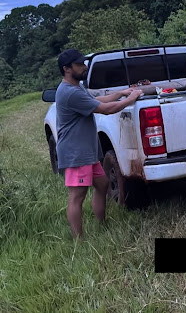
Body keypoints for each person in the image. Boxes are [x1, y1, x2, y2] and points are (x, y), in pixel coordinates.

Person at [55, 49, 143, 238]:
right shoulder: (69, 92)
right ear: (67, 68)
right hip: (75, 153)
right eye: (79, 64)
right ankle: (79, 241)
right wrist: (131, 98)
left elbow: (96, 100)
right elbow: (104, 109)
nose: (84, 67)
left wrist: (121, 92)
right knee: (77, 196)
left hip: (86, 152)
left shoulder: (77, 88)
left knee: (102, 184)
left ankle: (101, 225)